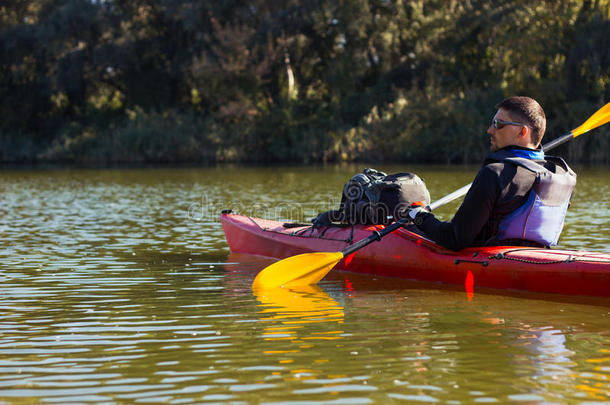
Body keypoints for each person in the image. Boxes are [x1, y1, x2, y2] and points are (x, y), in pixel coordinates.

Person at [406, 96, 577, 250]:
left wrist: (420, 216)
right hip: (539, 258)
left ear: (522, 132)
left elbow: (454, 239)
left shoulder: (495, 173)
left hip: (489, 263)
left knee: (412, 229)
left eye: (498, 124)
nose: (490, 130)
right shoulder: (562, 174)